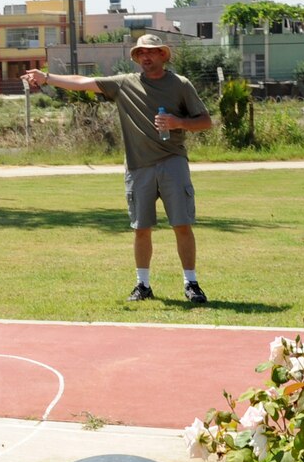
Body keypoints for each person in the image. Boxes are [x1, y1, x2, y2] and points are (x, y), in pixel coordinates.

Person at [21, 32, 211, 303]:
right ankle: (143, 285)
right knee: (141, 228)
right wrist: (47, 77)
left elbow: (205, 121)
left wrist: (178, 123)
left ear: (162, 55)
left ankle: (191, 283)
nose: (145, 56)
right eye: (140, 53)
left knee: (181, 224)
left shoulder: (180, 85)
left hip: (173, 162)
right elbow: (82, 82)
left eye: (150, 52)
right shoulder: (124, 84)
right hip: (137, 167)